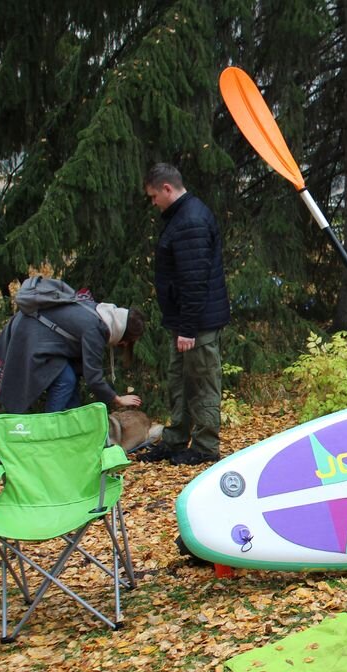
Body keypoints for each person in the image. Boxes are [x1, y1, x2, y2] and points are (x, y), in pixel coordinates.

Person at [138, 163, 230, 466]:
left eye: (153, 196)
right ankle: (175, 438)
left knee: (202, 384)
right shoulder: (180, 216)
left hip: (197, 326)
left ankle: (205, 447)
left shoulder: (191, 220)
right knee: (178, 381)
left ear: (167, 189)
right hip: (184, 324)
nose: (153, 203)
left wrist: (188, 328)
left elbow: (194, 280)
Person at [0, 294, 145, 413]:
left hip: (37, 334)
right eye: (126, 342)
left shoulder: (103, 315)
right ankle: (51, 432)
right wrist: (117, 399)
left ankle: (70, 432)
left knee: (71, 379)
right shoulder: (96, 329)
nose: (122, 345)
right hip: (30, 336)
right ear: (122, 336)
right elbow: (93, 378)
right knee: (66, 381)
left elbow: (81, 364)